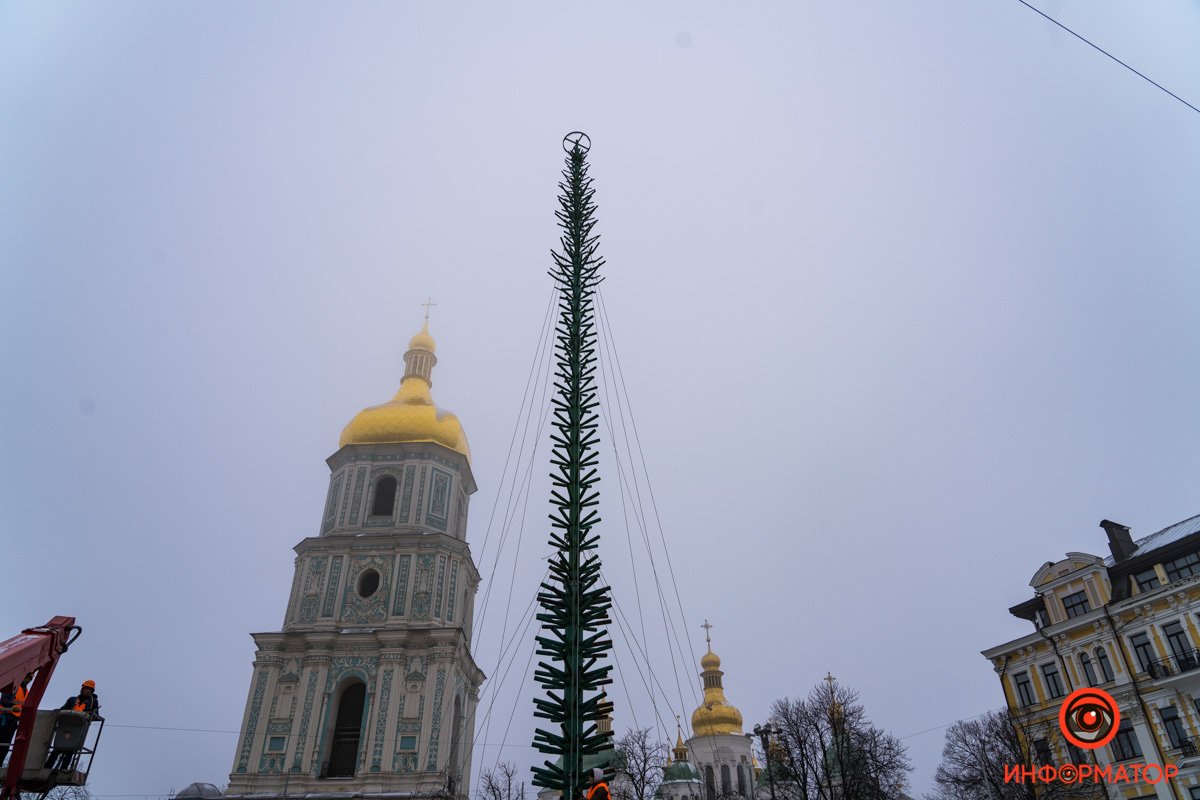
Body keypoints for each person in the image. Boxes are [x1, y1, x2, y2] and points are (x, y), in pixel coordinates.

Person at [45, 680, 102, 771]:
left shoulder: (93, 702)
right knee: (57, 749)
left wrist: (91, 714)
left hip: (78, 728)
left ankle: (63, 769)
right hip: (66, 726)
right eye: (86, 688)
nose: (87, 691)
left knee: (70, 750)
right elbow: (63, 709)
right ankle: (47, 767)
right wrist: (57, 711)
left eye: (89, 689)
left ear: (92, 691)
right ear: (82, 689)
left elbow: (95, 716)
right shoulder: (72, 699)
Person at [0, 673, 33, 764]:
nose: (28, 680)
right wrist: (12, 705)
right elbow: (3, 701)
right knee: (2, 742)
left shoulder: (26, 691)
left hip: (14, 722)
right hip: (4, 719)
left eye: (29, 678)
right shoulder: (12, 687)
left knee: (5, 746)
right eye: (26, 678)